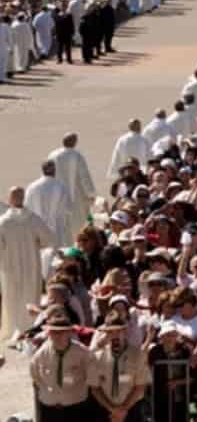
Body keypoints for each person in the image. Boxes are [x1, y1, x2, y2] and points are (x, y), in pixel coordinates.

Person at [0, 185, 56, 340]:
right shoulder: (33, 219)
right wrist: (36, 244)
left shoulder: (3, 222)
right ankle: (30, 327)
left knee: (12, 298)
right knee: (30, 296)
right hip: (31, 266)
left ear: (10, 199)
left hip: (9, 268)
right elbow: (49, 239)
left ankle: (13, 329)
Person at [30, 312, 94, 422]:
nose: (58, 335)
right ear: (49, 333)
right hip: (50, 407)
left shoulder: (82, 352)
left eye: (62, 332)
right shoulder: (42, 353)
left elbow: (92, 376)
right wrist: (48, 392)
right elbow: (35, 375)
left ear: (69, 332)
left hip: (75, 405)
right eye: (54, 332)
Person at [88, 319, 149, 422]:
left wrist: (123, 410)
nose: (115, 335)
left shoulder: (138, 355)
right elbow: (95, 388)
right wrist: (112, 409)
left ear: (125, 332)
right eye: (110, 332)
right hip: (105, 411)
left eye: (118, 331)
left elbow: (140, 386)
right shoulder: (97, 357)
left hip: (132, 410)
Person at [48, 134, 97, 229]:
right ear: (73, 142)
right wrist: (90, 194)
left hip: (57, 195)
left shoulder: (52, 155)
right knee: (78, 222)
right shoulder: (76, 156)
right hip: (76, 195)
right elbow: (84, 176)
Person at [26, 160, 76, 245]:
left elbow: (26, 208)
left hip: (37, 229)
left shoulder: (32, 187)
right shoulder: (61, 187)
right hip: (56, 230)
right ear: (54, 170)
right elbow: (69, 209)